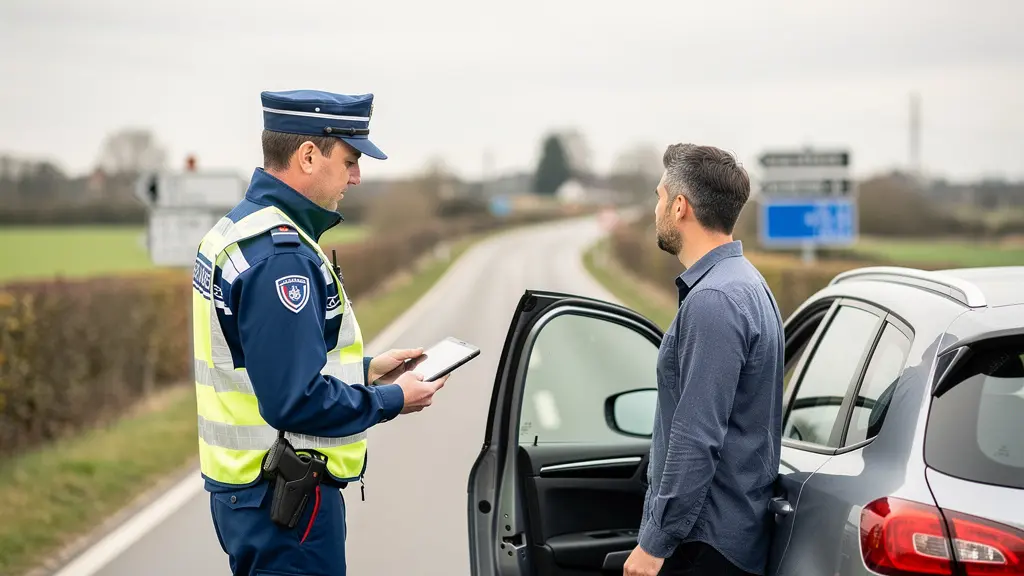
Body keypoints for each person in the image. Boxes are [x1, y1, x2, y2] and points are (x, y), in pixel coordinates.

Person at [190, 89, 448, 576]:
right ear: (308, 155)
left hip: (250, 497)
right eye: (350, 160)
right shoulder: (281, 257)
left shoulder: (238, 229)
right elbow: (295, 399)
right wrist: (392, 399)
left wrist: (366, 371)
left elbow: (260, 362)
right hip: (285, 504)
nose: (356, 176)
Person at [623, 144, 784, 576]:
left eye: (659, 197)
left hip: (704, 546)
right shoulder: (747, 283)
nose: (656, 208)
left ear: (680, 206)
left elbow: (697, 436)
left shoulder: (714, 299)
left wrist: (654, 544)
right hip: (726, 539)